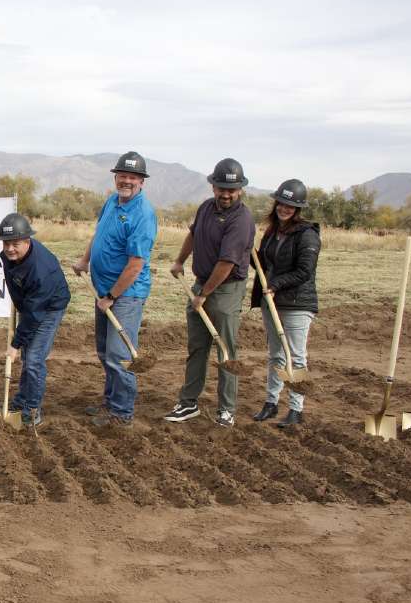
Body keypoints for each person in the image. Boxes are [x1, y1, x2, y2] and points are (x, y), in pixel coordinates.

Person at [165, 158, 256, 427]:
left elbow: (227, 264)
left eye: (231, 190)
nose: (226, 194)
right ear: (213, 186)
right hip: (201, 284)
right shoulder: (206, 207)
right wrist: (180, 261)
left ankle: (226, 409)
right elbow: (193, 235)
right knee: (197, 347)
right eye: (221, 188)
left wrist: (203, 294)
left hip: (225, 289)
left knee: (225, 350)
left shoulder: (242, 219)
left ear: (240, 190)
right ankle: (188, 402)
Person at [71, 151, 157, 428]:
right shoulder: (111, 201)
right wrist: (85, 260)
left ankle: (122, 414)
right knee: (104, 351)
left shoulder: (143, 214)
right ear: (116, 177)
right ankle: (110, 402)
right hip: (103, 290)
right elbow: (99, 234)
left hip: (125, 295)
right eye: (123, 176)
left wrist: (111, 296)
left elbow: (135, 264)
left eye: (133, 177)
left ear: (142, 181)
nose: (127, 181)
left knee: (119, 354)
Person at [250, 179, 320, 428]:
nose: (285, 208)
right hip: (272, 301)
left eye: (290, 205)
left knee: (296, 357)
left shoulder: (307, 235)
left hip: (297, 304)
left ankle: (296, 409)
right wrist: (250, 253)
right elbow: (265, 264)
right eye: (282, 203)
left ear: (298, 208)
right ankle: (271, 403)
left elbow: (304, 271)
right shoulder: (271, 232)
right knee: (276, 355)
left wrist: (276, 284)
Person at [0, 213, 70, 427]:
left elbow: (34, 314)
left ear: (27, 241)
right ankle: (21, 401)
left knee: (34, 359)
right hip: (31, 304)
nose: (10, 248)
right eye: (6, 243)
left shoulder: (41, 270)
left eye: (15, 244)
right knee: (28, 357)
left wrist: (15, 344)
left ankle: (32, 409)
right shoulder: (10, 255)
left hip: (49, 307)